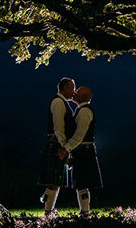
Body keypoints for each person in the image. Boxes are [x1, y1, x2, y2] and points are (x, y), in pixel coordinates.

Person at [57, 85, 103, 217]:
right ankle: (84, 212)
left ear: (82, 97)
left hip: (83, 150)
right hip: (82, 150)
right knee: (81, 183)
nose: (74, 93)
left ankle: (85, 213)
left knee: (82, 183)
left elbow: (79, 135)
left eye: (77, 92)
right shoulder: (81, 109)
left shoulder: (84, 111)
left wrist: (66, 149)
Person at [38, 77, 76, 216]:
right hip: (57, 143)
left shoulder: (62, 102)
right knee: (54, 180)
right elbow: (58, 128)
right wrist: (64, 148)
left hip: (57, 142)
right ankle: (48, 212)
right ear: (65, 88)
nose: (74, 91)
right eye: (72, 88)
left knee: (55, 180)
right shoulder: (58, 103)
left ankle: (49, 209)